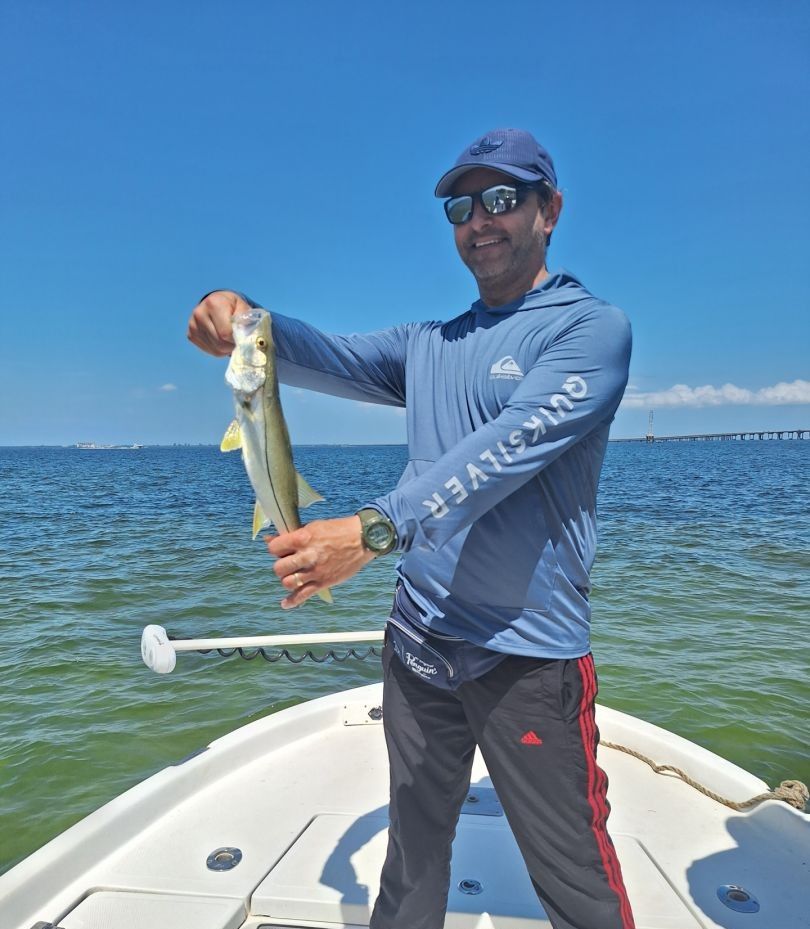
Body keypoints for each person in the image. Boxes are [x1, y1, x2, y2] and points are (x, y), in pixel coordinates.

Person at [187, 127, 635, 929]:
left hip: (526, 659)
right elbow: (320, 353)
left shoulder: (588, 331)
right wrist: (245, 317)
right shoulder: (428, 345)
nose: (480, 219)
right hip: (419, 646)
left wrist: (371, 531)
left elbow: (503, 452)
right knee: (412, 856)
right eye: (463, 206)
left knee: (574, 880)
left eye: (503, 198)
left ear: (550, 209)